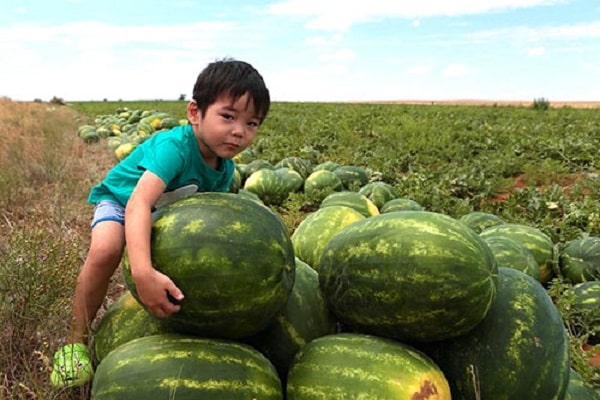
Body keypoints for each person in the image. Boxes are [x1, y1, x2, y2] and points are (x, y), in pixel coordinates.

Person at [50, 59, 271, 388]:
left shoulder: (224, 170)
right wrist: (141, 272)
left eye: (252, 123)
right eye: (228, 116)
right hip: (123, 200)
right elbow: (139, 203)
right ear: (195, 112)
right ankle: (73, 344)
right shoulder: (175, 148)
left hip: (161, 212)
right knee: (107, 249)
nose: (239, 131)